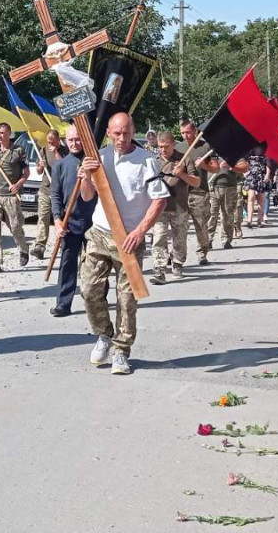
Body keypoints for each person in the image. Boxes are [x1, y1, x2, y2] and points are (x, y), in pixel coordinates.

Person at [79, 112, 168, 376]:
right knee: (89, 289)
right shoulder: (99, 157)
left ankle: (121, 350)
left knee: (127, 298)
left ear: (133, 132)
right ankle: (104, 335)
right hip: (99, 232)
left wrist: (140, 231)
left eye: (126, 133)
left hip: (129, 237)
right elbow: (86, 196)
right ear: (108, 132)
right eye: (116, 133)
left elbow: (160, 199)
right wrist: (85, 175)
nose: (121, 138)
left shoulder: (146, 161)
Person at [49, 125, 95, 317]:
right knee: (68, 264)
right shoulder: (60, 165)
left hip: (94, 222)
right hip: (70, 222)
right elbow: (55, 196)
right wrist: (58, 221)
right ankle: (63, 303)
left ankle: (96, 301)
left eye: (78, 139)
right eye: (71, 140)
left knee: (95, 264)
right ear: (65, 141)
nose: (75, 143)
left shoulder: (93, 162)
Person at [151, 132, 200, 283]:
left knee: (179, 237)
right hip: (159, 207)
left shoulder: (184, 159)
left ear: (173, 144)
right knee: (159, 237)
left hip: (179, 206)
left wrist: (182, 175)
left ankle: (177, 263)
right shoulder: (154, 161)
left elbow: (197, 182)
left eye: (166, 147)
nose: (163, 150)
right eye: (160, 147)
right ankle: (159, 269)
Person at [0, 122, 29, 273]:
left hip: (11, 195)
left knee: (15, 227)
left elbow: (26, 172)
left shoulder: (18, 150)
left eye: (3, 133)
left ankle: (23, 248)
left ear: (9, 134)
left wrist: (18, 184)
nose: (0, 136)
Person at [178, 121, 214, 264]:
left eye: (188, 132)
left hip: (199, 193)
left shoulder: (205, 147)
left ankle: (202, 253)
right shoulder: (178, 148)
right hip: (181, 193)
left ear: (195, 132)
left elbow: (215, 169)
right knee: (179, 226)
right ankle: (177, 256)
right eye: (182, 133)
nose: (185, 135)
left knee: (201, 225)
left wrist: (204, 165)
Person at [31, 129, 64, 259]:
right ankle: (39, 246)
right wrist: (40, 166)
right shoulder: (43, 151)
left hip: (60, 192)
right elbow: (39, 172)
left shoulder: (64, 151)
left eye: (52, 141)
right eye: (48, 141)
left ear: (58, 140)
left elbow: (63, 167)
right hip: (45, 189)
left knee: (61, 219)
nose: (49, 143)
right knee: (43, 218)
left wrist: (55, 152)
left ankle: (63, 244)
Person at [206, 153, 243, 249]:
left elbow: (245, 167)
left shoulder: (233, 151)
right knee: (210, 215)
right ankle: (207, 240)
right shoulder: (209, 151)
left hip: (230, 187)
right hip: (212, 187)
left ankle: (226, 240)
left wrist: (232, 167)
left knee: (227, 215)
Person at [244, 144, 273, 227]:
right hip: (251, 175)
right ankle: (249, 220)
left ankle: (259, 219)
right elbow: (245, 161)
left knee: (261, 198)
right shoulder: (248, 146)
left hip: (261, 175)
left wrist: (267, 174)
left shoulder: (265, 146)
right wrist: (244, 173)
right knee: (251, 197)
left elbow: (268, 162)